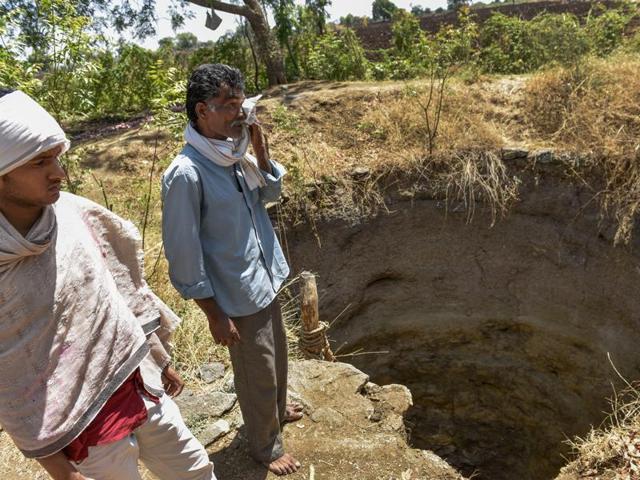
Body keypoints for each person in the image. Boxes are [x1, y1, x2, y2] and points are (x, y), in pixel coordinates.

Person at [0, 88, 216, 480]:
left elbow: (118, 288)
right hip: (84, 431)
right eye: (39, 162)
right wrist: (59, 470)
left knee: (196, 472)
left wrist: (155, 355)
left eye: (57, 158)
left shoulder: (72, 214)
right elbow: (9, 379)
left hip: (140, 385)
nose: (59, 173)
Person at [161, 64, 303, 476]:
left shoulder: (234, 151)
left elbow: (271, 194)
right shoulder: (187, 174)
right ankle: (265, 446)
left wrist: (260, 145)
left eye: (242, 106)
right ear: (203, 110)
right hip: (235, 294)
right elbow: (184, 254)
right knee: (256, 371)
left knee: (276, 359)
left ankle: (275, 412)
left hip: (264, 276)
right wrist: (214, 314)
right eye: (229, 108)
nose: (239, 116)